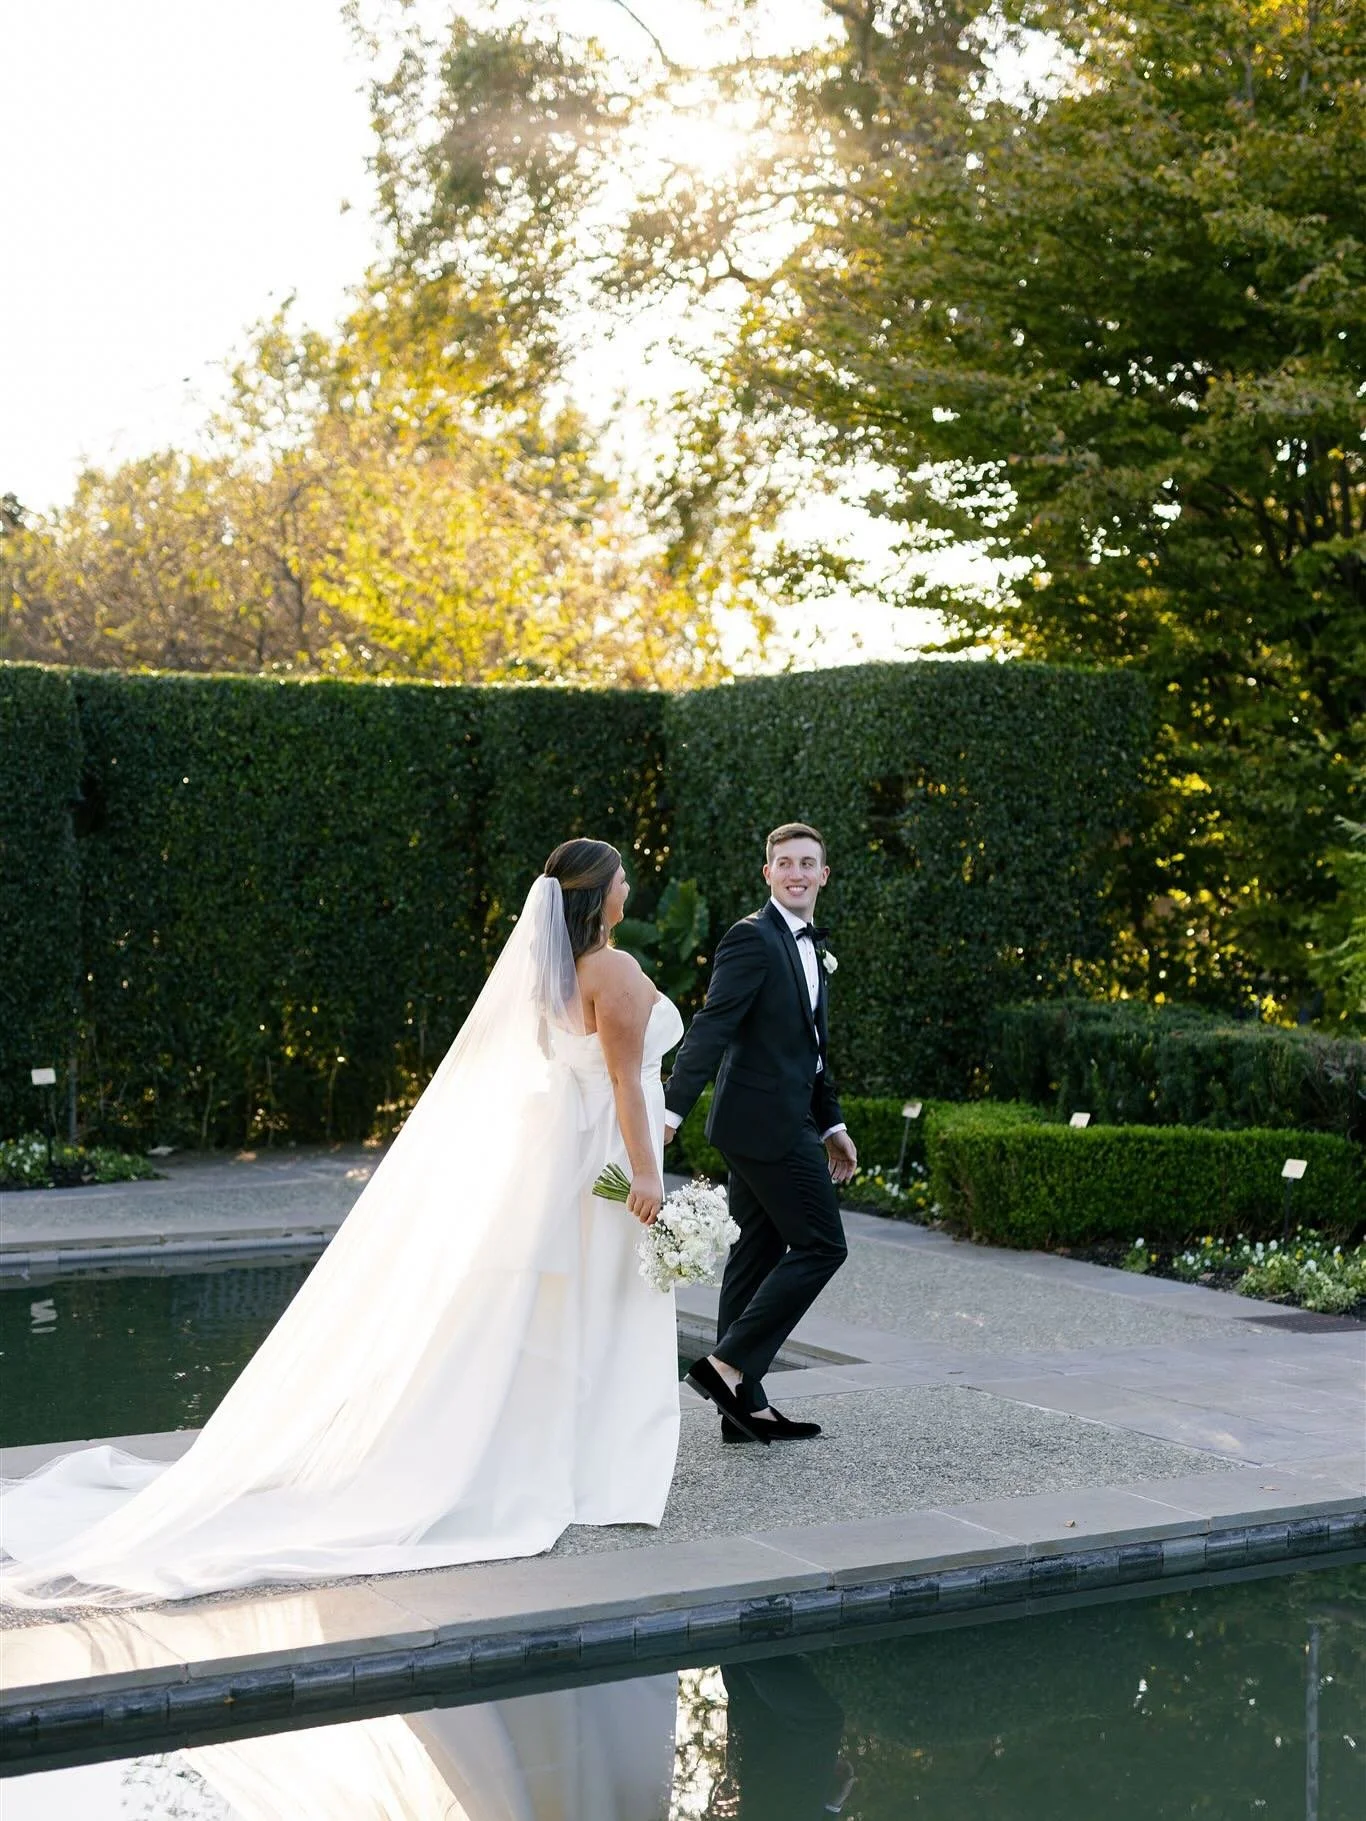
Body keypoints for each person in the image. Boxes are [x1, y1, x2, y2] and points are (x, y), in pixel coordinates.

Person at [0, 840, 682, 1606]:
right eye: (623, 874)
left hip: (572, 1157)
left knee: (566, 1309)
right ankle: (589, 1465)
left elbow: (564, 1074)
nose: (631, 882)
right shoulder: (613, 971)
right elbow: (623, 1078)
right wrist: (649, 1173)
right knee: (600, 1305)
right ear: (599, 892)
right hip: (604, 1166)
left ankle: (561, 1457)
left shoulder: (550, 978)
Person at [664, 822, 857, 1444]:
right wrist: (669, 1113)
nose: (797, 873)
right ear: (767, 873)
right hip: (765, 1126)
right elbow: (713, 1025)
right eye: (785, 864)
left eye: (808, 864)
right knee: (824, 1245)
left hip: (775, 1123)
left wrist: (833, 1123)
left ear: (823, 875)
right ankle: (723, 1367)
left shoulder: (810, 947)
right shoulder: (750, 938)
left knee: (754, 1258)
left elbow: (815, 1050)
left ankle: (743, 1410)